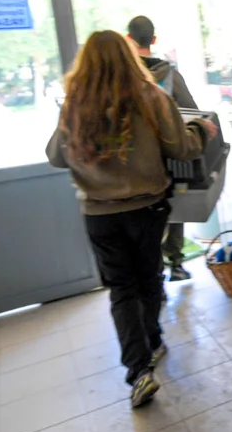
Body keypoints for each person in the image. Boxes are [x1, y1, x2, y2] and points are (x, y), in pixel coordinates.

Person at [47, 30, 217, 408]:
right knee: (149, 277)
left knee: (122, 289)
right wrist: (200, 130)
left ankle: (139, 371)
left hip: (99, 214)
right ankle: (153, 340)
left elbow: (56, 156)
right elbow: (182, 147)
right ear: (129, 58)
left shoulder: (75, 104)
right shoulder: (150, 97)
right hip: (146, 208)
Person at [127, 15, 200, 282]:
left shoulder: (124, 77)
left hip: (135, 160)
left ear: (128, 39)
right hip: (169, 154)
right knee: (173, 206)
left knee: (144, 216)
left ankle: (152, 271)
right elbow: (192, 110)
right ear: (153, 39)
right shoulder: (169, 75)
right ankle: (176, 263)